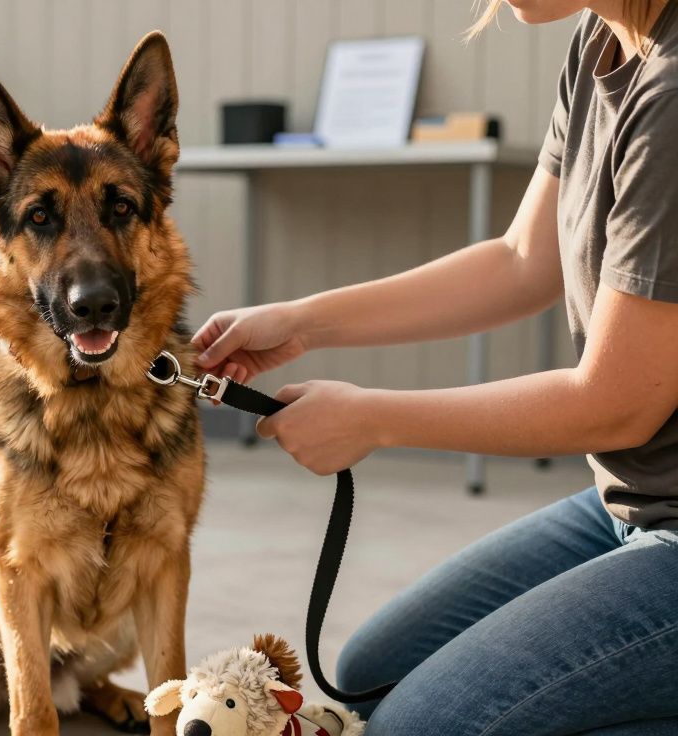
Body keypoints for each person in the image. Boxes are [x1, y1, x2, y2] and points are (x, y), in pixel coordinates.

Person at [192, 1, 678, 733]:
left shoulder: (671, 98)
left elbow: (615, 403)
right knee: (365, 679)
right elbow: (520, 263)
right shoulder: (601, 41)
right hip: (630, 501)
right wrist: (302, 321)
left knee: (417, 727)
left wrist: (375, 419)